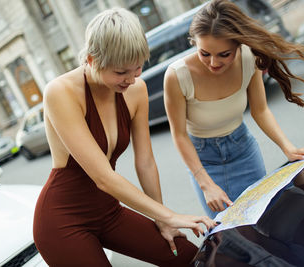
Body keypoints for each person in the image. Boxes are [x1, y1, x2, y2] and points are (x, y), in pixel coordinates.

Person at [33, 8, 216, 267]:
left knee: (187, 257)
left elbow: (145, 161)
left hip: (109, 211)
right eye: (121, 72)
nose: (130, 79)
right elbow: (103, 177)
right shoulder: (61, 92)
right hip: (63, 221)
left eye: (138, 68)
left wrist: (162, 220)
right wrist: (169, 214)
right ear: (92, 60)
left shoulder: (136, 90)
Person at [163, 0, 304, 219]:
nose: (213, 63)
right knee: (228, 230)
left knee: (265, 218)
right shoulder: (177, 75)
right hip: (204, 163)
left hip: (244, 152)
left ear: (238, 45)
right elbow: (179, 134)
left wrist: (288, 148)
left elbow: (260, 111)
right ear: (193, 43)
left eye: (224, 54)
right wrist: (205, 184)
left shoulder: (250, 58)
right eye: (205, 53)